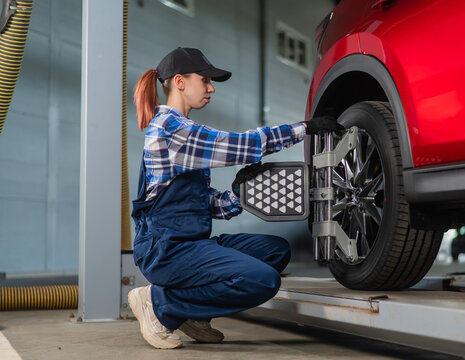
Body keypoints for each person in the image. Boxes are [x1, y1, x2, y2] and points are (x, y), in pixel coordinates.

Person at [128, 46, 342, 349]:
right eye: (205, 80)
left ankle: (192, 315)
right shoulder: (171, 130)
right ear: (179, 82)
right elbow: (241, 146)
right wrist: (303, 129)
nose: (211, 88)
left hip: (188, 243)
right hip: (167, 250)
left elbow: (200, 205)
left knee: (276, 251)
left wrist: (240, 196)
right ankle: (161, 304)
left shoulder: (181, 129)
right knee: (264, 280)